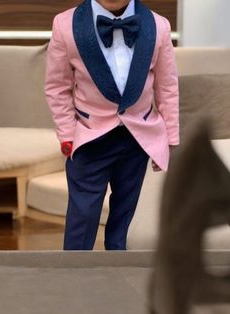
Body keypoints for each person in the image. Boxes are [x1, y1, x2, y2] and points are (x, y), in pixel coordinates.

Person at [45, 0, 179, 250]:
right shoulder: (65, 25)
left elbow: (167, 88)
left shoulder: (159, 26)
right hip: (89, 136)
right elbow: (57, 86)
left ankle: (118, 278)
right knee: (82, 219)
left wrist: (170, 139)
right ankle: (73, 279)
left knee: (124, 219)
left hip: (137, 137)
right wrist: (67, 133)